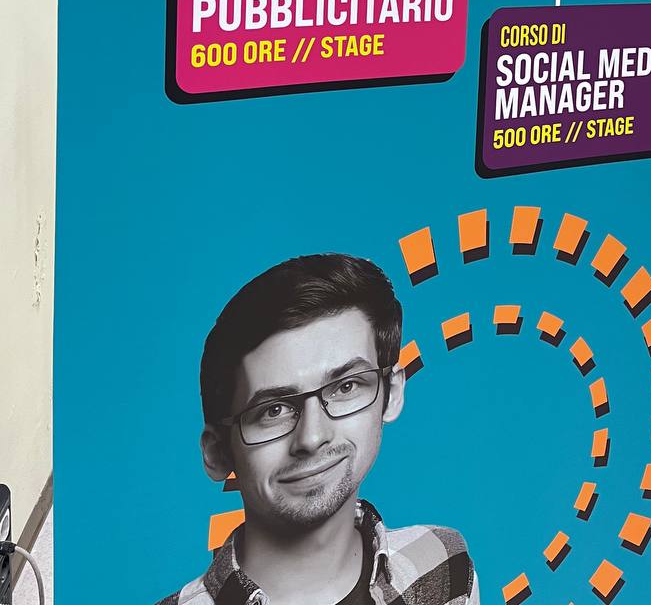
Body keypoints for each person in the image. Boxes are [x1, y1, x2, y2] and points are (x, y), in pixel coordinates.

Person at [157, 253, 478, 605]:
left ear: (392, 393)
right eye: (274, 410)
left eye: (346, 387)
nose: (312, 437)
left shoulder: (441, 562)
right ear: (217, 452)